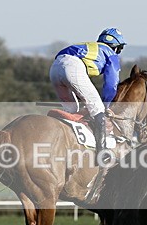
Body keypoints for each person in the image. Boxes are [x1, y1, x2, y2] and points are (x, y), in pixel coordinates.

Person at [49, 28, 125, 159]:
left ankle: (68, 146)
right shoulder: (110, 54)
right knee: (98, 108)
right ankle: (103, 152)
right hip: (72, 67)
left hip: (55, 68)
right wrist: (106, 105)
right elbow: (111, 84)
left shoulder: (90, 46)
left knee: (73, 111)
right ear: (116, 47)